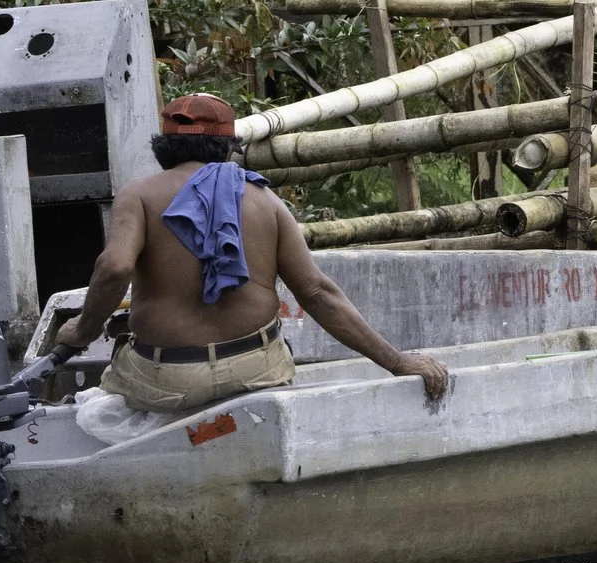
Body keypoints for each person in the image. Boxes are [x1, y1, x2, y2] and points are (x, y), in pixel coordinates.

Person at [54, 93, 450, 412]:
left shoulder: (139, 195)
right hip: (255, 372)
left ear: (164, 148)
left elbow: (116, 267)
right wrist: (397, 361)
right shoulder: (265, 201)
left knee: (107, 386)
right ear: (228, 148)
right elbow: (316, 292)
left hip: (166, 380)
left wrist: (82, 330)